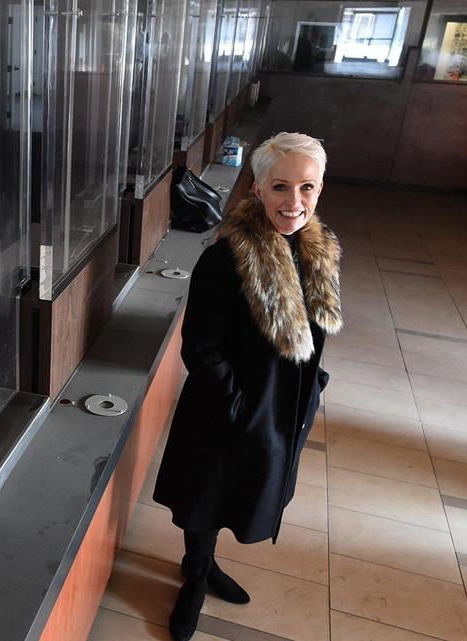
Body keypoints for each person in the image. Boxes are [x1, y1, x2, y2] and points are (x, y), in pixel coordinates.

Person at [152, 132, 342, 640]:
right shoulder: (227, 258)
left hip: (281, 401)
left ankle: (206, 564)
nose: (295, 203)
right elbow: (201, 347)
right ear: (258, 188)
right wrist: (236, 405)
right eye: (281, 187)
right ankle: (195, 575)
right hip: (228, 404)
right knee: (207, 493)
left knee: (244, 491)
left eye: (308, 188)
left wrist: (313, 384)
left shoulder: (315, 252)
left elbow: (312, 334)